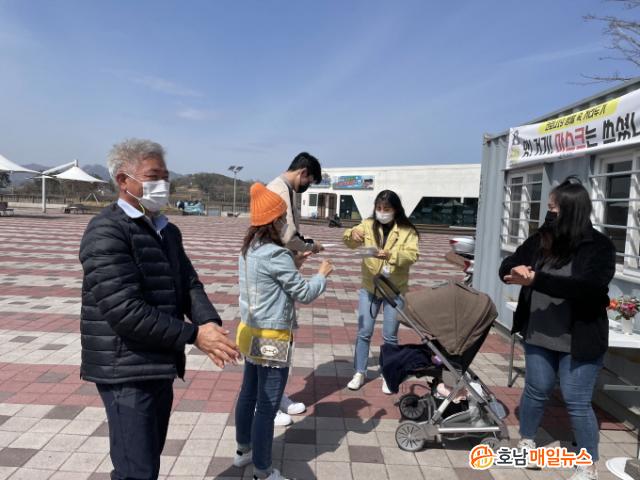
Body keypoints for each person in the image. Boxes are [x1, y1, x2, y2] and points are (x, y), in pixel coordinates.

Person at [79, 138, 240, 480]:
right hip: (125, 368)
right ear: (123, 180)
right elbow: (124, 310)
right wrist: (194, 336)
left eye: (166, 177)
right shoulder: (106, 231)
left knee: (147, 459)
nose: (162, 185)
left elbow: (189, 283)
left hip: (158, 363)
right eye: (153, 177)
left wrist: (208, 323)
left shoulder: (168, 231)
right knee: (137, 470)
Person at [499, 178, 616, 480]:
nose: (549, 213)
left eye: (553, 207)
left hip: (579, 339)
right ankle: (527, 440)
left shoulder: (599, 246)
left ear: (571, 210)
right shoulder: (542, 239)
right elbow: (509, 264)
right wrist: (513, 269)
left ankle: (587, 463)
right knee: (536, 390)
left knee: (577, 401)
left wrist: (536, 280)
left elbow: (587, 288)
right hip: (539, 334)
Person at [233, 183, 333, 480]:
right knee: (267, 406)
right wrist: (321, 275)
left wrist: (295, 264)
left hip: (250, 332)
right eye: (282, 219)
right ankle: (263, 470)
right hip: (272, 338)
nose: (285, 224)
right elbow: (304, 293)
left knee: (248, 394)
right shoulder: (276, 254)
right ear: (274, 221)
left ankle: (243, 451)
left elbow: (271, 283)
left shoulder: (249, 249)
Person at [266, 151, 324, 425]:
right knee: (272, 346)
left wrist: (298, 255)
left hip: (280, 271)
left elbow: (288, 236)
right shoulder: (279, 190)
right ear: (303, 173)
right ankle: (266, 406)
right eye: (309, 181)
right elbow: (288, 235)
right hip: (273, 284)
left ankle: (276, 396)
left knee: (281, 343)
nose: (307, 186)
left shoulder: (284, 189)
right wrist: (309, 247)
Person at [343, 190, 419, 393]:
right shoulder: (368, 224)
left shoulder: (407, 230)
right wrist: (352, 234)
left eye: (386, 209)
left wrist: (391, 255)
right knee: (364, 332)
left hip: (394, 291)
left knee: (390, 336)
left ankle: (388, 374)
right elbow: (349, 241)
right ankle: (359, 372)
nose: (382, 212)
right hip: (370, 287)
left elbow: (412, 255)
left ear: (395, 209)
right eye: (378, 208)